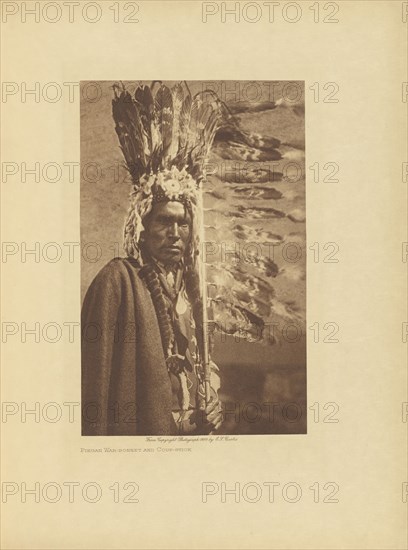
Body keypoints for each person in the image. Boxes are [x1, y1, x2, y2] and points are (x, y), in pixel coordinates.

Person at [81, 82, 223, 436]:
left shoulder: (193, 293)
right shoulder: (117, 281)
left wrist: (210, 410)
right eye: (164, 221)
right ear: (141, 228)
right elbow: (94, 389)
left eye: (183, 222)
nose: (175, 232)